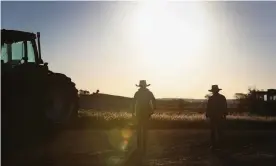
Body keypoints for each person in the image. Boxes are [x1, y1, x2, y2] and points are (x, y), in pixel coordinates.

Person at [132, 80, 156, 154]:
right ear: (145, 86)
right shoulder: (149, 93)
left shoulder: (137, 93)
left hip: (139, 113)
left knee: (139, 130)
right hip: (146, 113)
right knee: (144, 130)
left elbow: (133, 103)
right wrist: (152, 110)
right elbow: (154, 101)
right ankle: (143, 147)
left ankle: (139, 146)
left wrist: (133, 112)